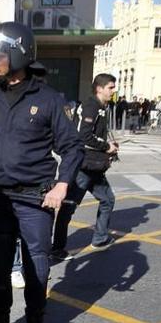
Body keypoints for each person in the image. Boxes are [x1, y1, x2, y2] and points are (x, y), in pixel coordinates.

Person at [0, 21, 82, 323]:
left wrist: (61, 187)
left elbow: (72, 147)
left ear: (17, 53)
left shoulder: (47, 99)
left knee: (36, 266)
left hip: (36, 200)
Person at [51, 73, 118, 260]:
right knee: (68, 207)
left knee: (108, 199)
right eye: (110, 87)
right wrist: (107, 147)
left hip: (95, 167)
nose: (114, 90)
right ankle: (57, 249)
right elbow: (83, 137)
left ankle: (100, 237)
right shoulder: (91, 107)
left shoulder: (101, 107)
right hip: (83, 166)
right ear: (99, 88)